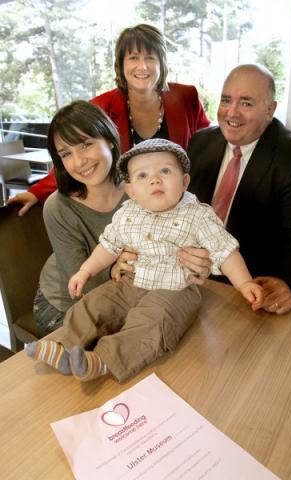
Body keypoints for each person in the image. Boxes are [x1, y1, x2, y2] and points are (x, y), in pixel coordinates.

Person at [26, 139, 263, 383]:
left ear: (184, 181)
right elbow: (108, 246)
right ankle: (64, 345)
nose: (154, 179)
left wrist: (244, 284)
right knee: (93, 304)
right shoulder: (128, 212)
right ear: (130, 191)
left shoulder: (198, 215)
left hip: (175, 290)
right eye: (142, 175)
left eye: (165, 171)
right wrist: (86, 270)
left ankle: (102, 361)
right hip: (131, 281)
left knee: (152, 322)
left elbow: (225, 251)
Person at [7, 23, 210, 216]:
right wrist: (37, 192)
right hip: (124, 209)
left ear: (162, 63)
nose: (142, 66)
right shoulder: (101, 106)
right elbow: (77, 156)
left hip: (180, 205)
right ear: (121, 64)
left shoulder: (186, 96)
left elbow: (208, 146)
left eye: (150, 58)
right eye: (133, 58)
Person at [186, 63, 291, 314]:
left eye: (246, 103)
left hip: (248, 292)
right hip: (191, 280)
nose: (232, 112)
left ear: (270, 109)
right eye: (226, 100)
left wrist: (288, 283)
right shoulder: (200, 142)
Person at [33, 100, 126, 335]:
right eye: (66, 153)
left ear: (110, 141)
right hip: (65, 303)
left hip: (126, 292)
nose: (78, 162)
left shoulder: (141, 186)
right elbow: (83, 285)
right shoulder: (58, 207)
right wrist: (119, 267)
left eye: (85, 144)